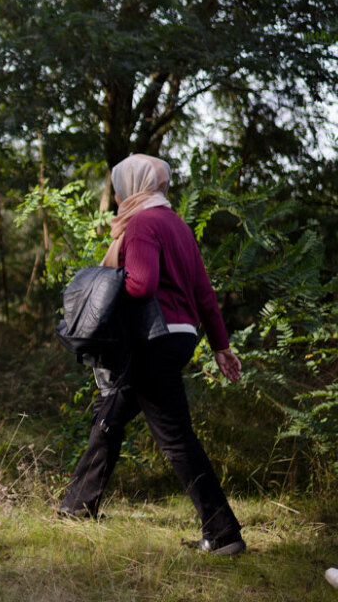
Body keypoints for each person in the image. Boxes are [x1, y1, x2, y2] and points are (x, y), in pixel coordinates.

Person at [58, 154, 246, 556]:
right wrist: (221, 347)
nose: (118, 195)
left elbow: (141, 284)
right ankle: (77, 506)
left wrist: (103, 285)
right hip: (178, 336)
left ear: (134, 186)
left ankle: (223, 533)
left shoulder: (143, 223)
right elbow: (204, 294)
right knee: (110, 415)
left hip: (152, 339)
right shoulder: (177, 224)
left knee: (176, 437)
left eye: (120, 187)